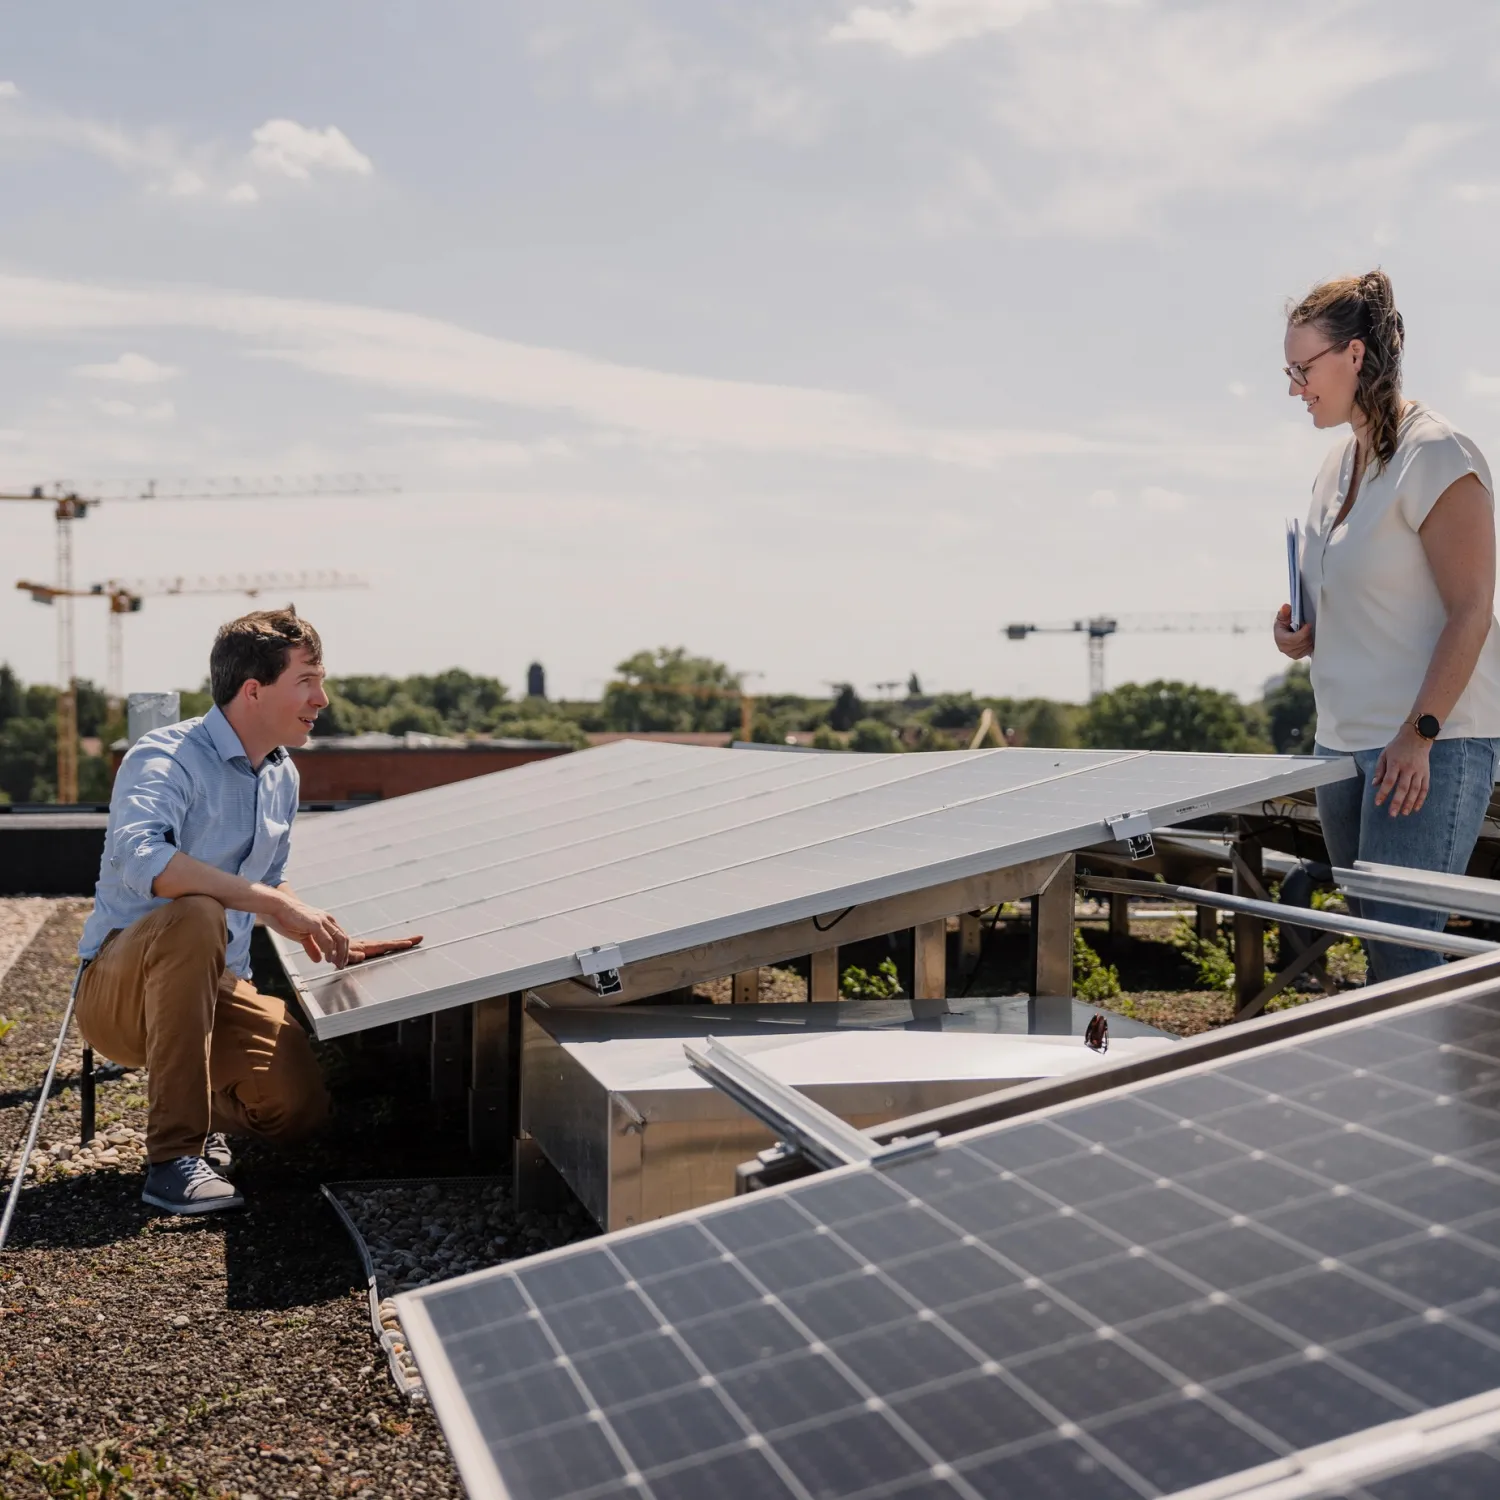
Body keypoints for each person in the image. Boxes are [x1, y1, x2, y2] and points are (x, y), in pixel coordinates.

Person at [76, 608, 423, 1215]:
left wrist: (319, 925)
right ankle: (173, 1159)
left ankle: (187, 1096)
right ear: (254, 690)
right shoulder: (164, 758)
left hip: (216, 985)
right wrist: (262, 899)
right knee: (197, 912)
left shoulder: (281, 776)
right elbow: (145, 861)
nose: (323, 697)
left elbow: (268, 884)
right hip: (120, 990)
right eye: (307, 680)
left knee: (294, 1107)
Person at [1275, 271, 1500, 983]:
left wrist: (1418, 732)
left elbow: (1475, 609)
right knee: (1379, 947)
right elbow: (1352, 598)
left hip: (1425, 748)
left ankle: (1466, 1095)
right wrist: (1299, 633)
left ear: (1355, 355)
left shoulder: (1438, 455)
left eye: (1302, 369)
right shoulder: (1334, 466)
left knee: (1406, 961)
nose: (1294, 388)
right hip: (1341, 747)